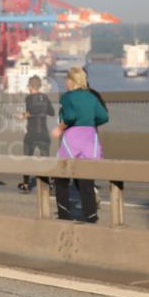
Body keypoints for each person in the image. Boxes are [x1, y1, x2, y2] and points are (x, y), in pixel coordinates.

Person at [52, 67, 108, 223]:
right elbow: (104, 117)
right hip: (90, 137)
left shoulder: (67, 97)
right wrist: (89, 122)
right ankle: (91, 215)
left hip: (73, 137)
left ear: (71, 81)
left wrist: (59, 128)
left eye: (66, 79)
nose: (65, 82)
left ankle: (64, 213)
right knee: (86, 179)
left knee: (61, 178)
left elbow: (70, 116)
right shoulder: (91, 97)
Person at [19, 75, 54, 193]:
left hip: (32, 133)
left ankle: (26, 184)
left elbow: (31, 111)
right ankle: (48, 185)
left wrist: (24, 115)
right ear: (39, 86)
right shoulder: (45, 97)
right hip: (43, 132)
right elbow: (52, 112)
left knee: (27, 159)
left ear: (30, 86)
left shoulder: (29, 98)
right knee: (45, 159)